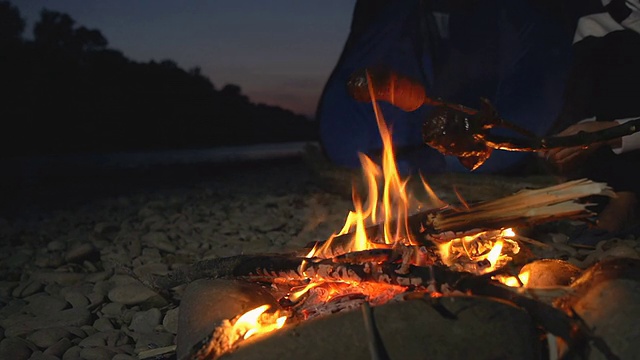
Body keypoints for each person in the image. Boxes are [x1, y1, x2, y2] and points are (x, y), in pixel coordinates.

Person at [540, 0, 640, 233]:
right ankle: (614, 192)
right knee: (612, 41)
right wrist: (571, 143)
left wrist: (609, 133)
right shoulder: (594, 21)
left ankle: (626, 196)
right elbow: (584, 106)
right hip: (616, 152)